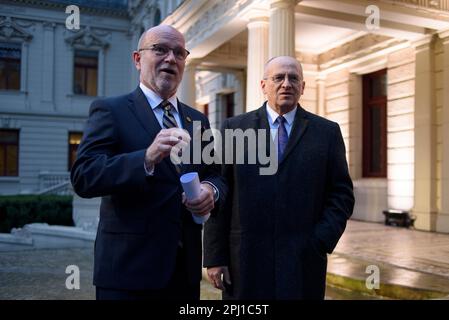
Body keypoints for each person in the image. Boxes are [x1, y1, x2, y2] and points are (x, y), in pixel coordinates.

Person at [71, 25, 226, 300]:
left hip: (184, 274)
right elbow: (84, 175)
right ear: (137, 59)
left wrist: (210, 192)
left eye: (179, 53)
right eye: (160, 49)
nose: (170, 58)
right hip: (127, 273)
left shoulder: (197, 120)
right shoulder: (110, 110)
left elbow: (216, 175)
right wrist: (145, 158)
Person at [203, 56, 354, 300]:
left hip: (302, 261)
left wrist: (321, 240)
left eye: (293, 78)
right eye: (278, 78)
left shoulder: (326, 132)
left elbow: (342, 194)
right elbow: (220, 191)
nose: (286, 84)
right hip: (244, 260)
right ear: (263, 85)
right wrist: (215, 256)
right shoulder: (235, 128)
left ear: (302, 87)